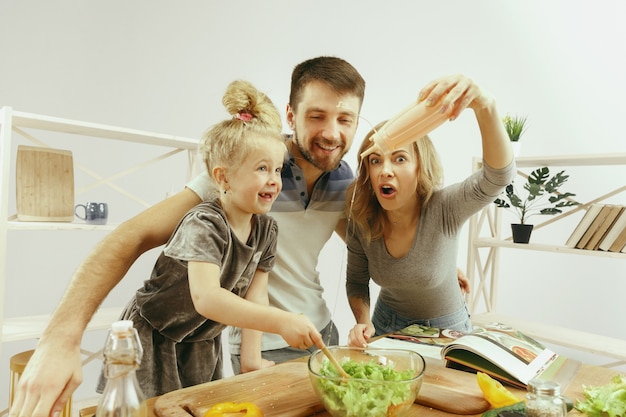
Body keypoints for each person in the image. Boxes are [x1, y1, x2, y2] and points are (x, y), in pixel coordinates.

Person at [9, 56, 364, 417]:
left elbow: (363, 249)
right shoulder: (232, 181)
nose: (332, 132)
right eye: (317, 116)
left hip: (245, 340)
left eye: (345, 119)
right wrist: (60, 339)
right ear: (291, 115)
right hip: (166, 336)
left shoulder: (331, 186)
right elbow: (132, 238)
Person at [96, 79, 324, 397]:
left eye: (277, 169)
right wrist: (281, 320)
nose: (273, 180)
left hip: (201, 340)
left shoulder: (267, 231)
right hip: (157, 336)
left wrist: (251, 359)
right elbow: (207, 299)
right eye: (261, 168)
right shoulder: (204, 224)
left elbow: (255, 297)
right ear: (222, 177)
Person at [345, 75, 515, 348]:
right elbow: (356, 281)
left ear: (419, 166)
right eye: (375, 161)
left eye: (399, 158)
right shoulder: (362, 219)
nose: (385, 171)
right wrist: (363, 322)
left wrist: (486, 106)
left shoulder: (445, 207)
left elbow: (497, 177)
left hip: (447, 331)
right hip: (385, 325)